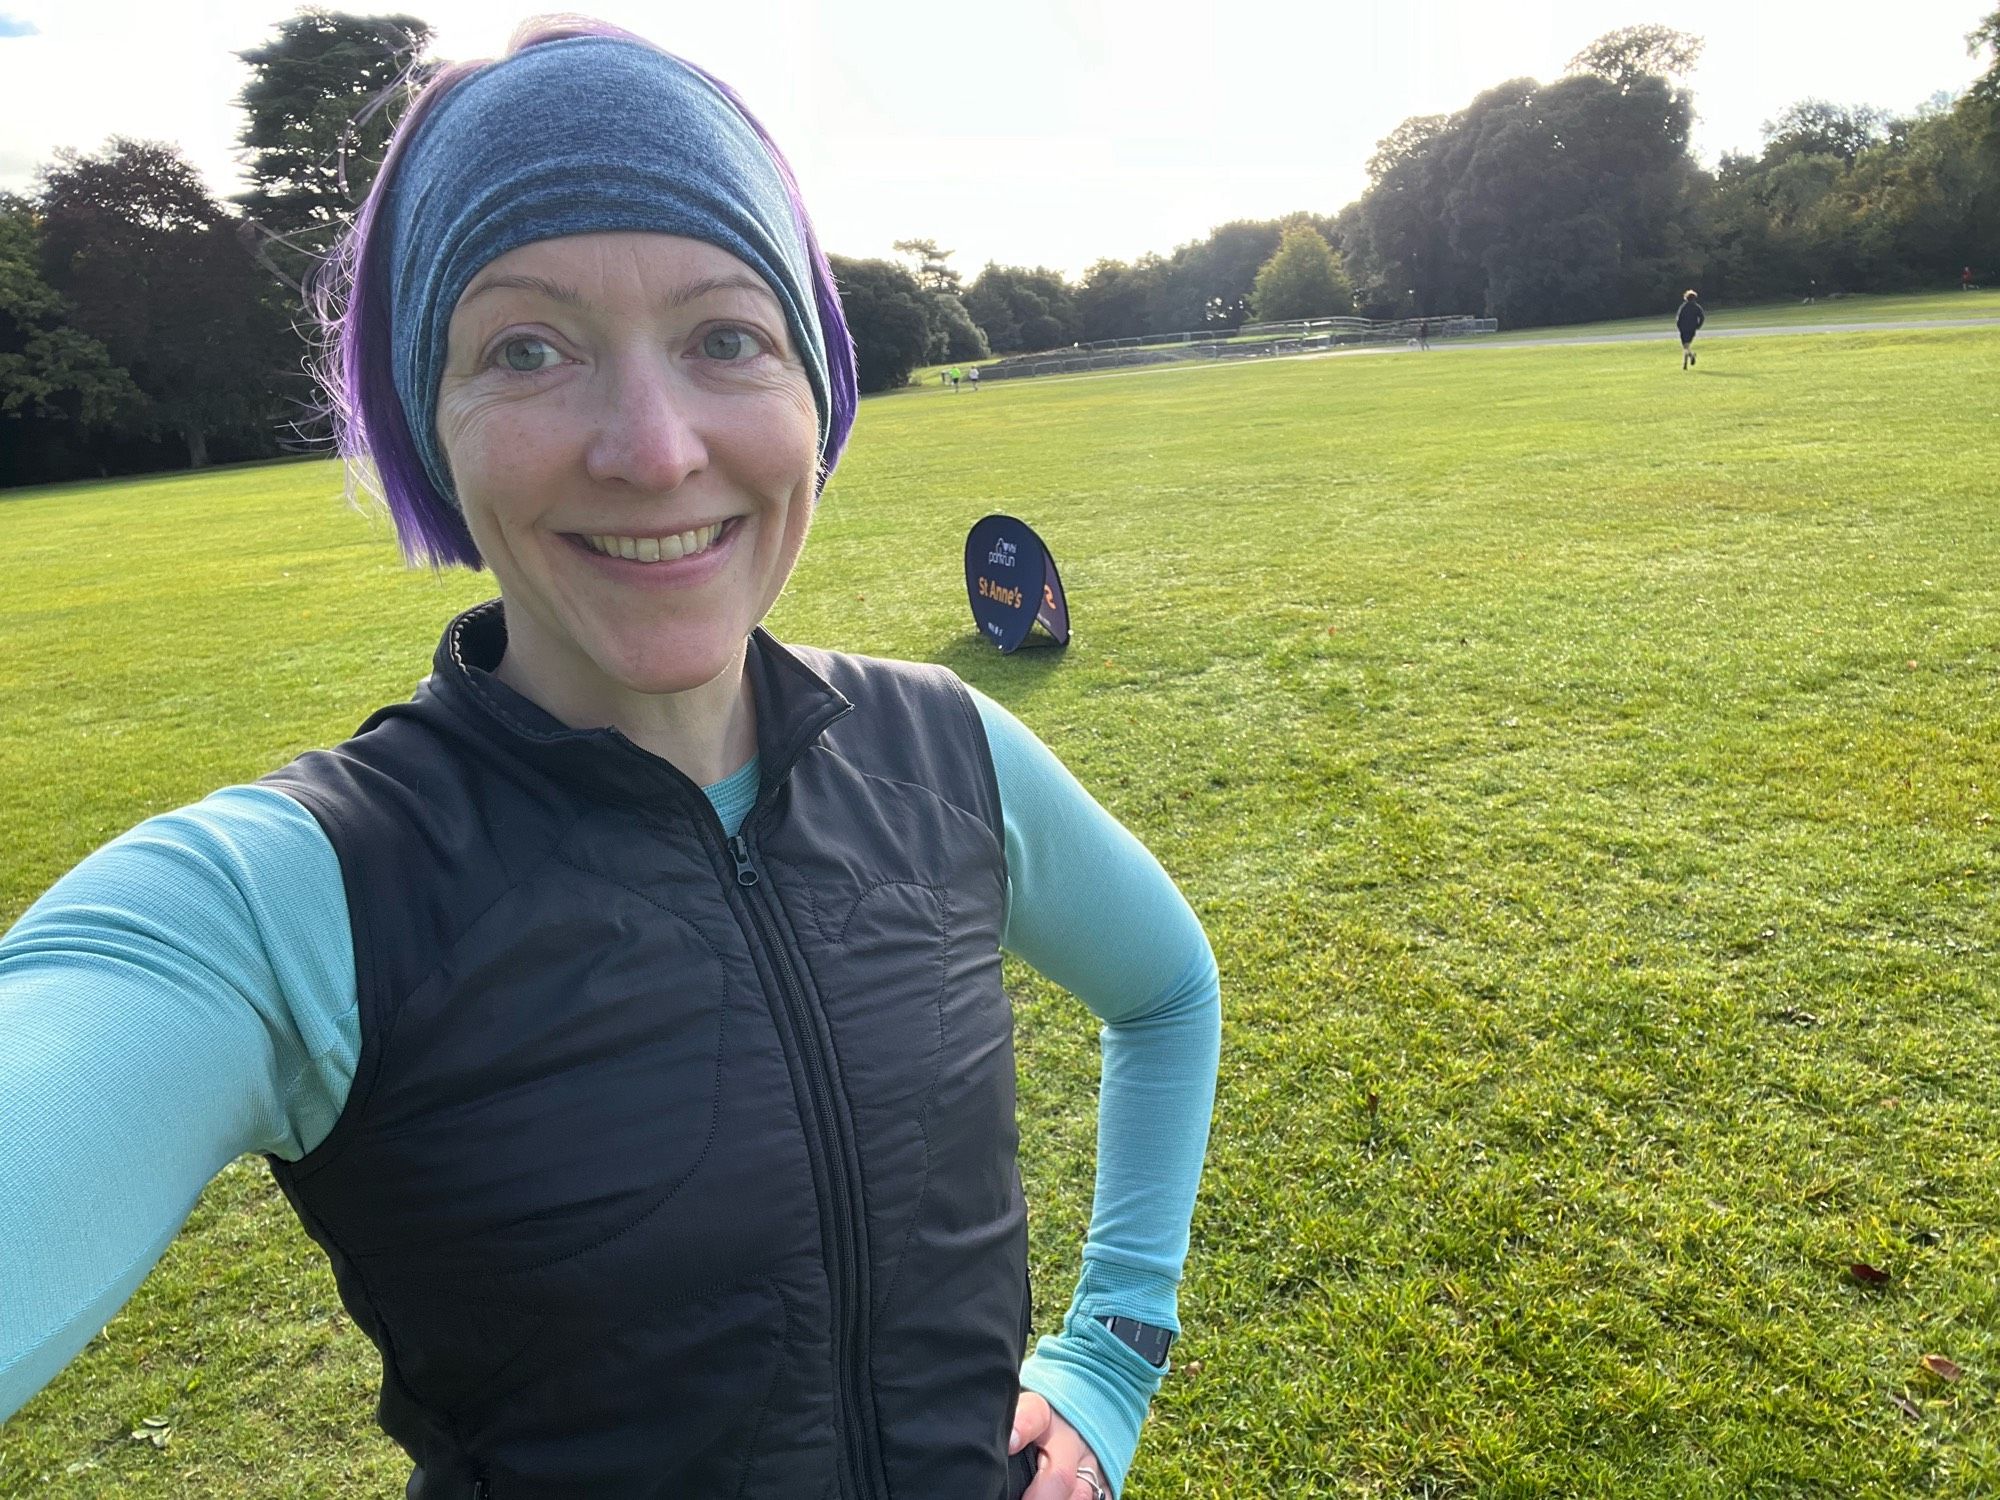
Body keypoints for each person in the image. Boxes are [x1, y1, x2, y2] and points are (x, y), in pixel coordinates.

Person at [0, 21, 1220, 1500]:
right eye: (527, 347)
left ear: (813, 396)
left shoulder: (948, 753)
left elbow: (1166, 988)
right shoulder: (296, 897)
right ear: (431, 424)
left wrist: (1111, 1348)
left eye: (725, 337)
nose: (652, 450)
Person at [1677, 289, 1705, 370]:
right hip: (1692, 328)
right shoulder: (1697, 307)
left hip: (1683, 329)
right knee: (1687, 345)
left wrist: (1679, 326)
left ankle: (1689, 359)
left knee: (1685, 346)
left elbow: (1679, 318)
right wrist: (1698, 325)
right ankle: (1687, 362)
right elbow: (1702, 317)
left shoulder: (1683, 307)